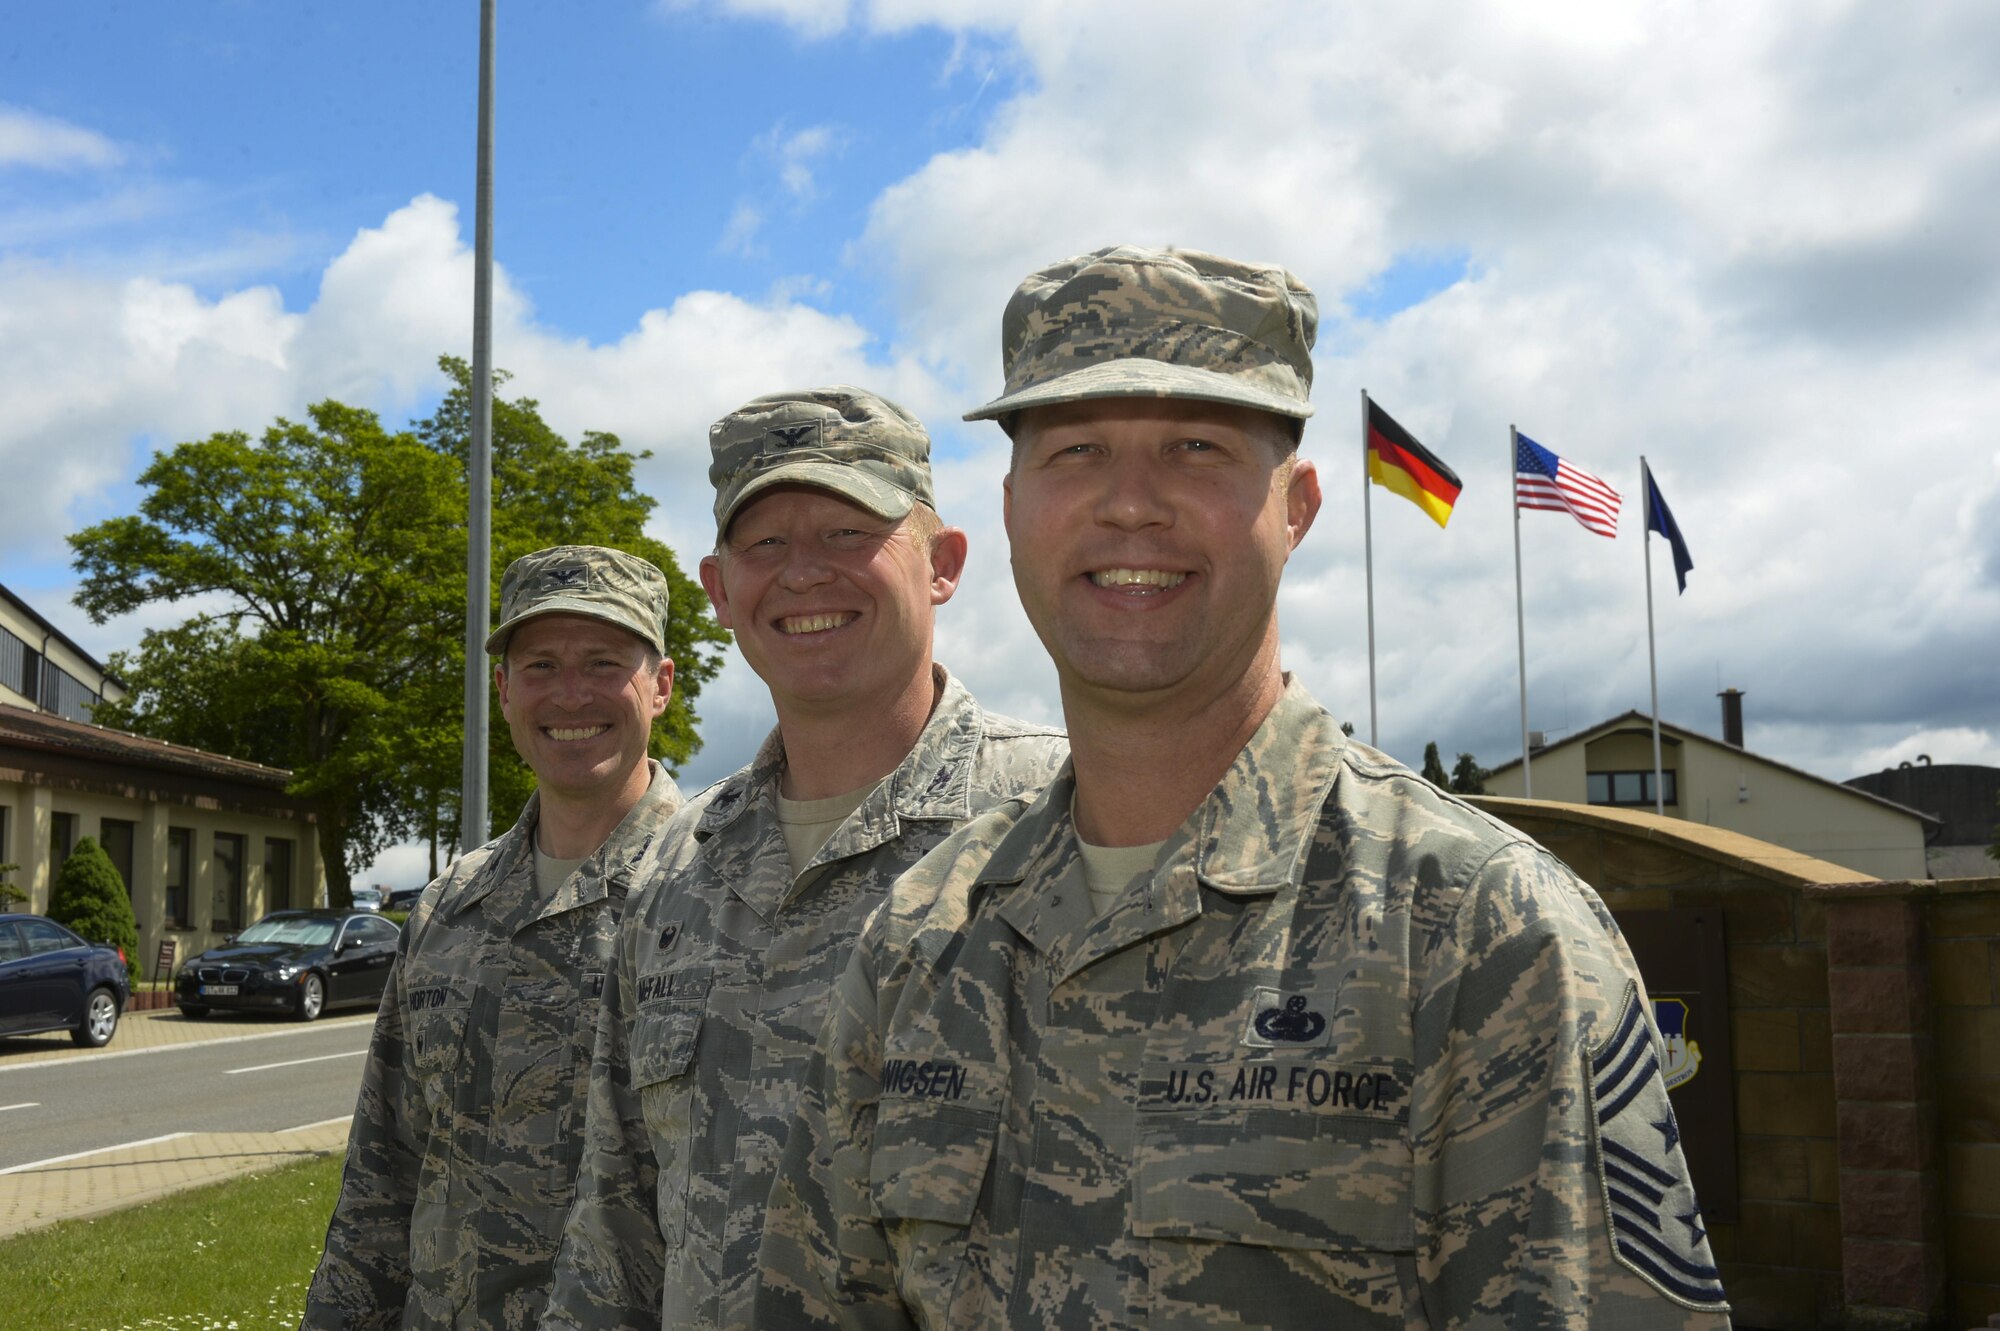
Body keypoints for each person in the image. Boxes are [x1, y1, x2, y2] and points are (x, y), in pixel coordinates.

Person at [756, 247, 1733, 1328]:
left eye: (1196, 448)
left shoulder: (1478, 928)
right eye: (1074, 451)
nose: (1129, 505)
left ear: (1298, 504)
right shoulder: (919, 938)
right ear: (1012, 508)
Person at [540, 388, 1067, 1331]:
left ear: (943, 563)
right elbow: (614, 1230)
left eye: (845, 531)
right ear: (718, 587)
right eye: (766, 545)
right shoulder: (675, 868)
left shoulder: (1064, 819)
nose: (803, 574)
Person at [303, 545, 687, 1331]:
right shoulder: (449, 908)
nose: (570, 692)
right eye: (541, 664)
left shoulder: (717, 894)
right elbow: (384, 1174)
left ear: (662, 686)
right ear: (505, 692)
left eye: (604, 661)